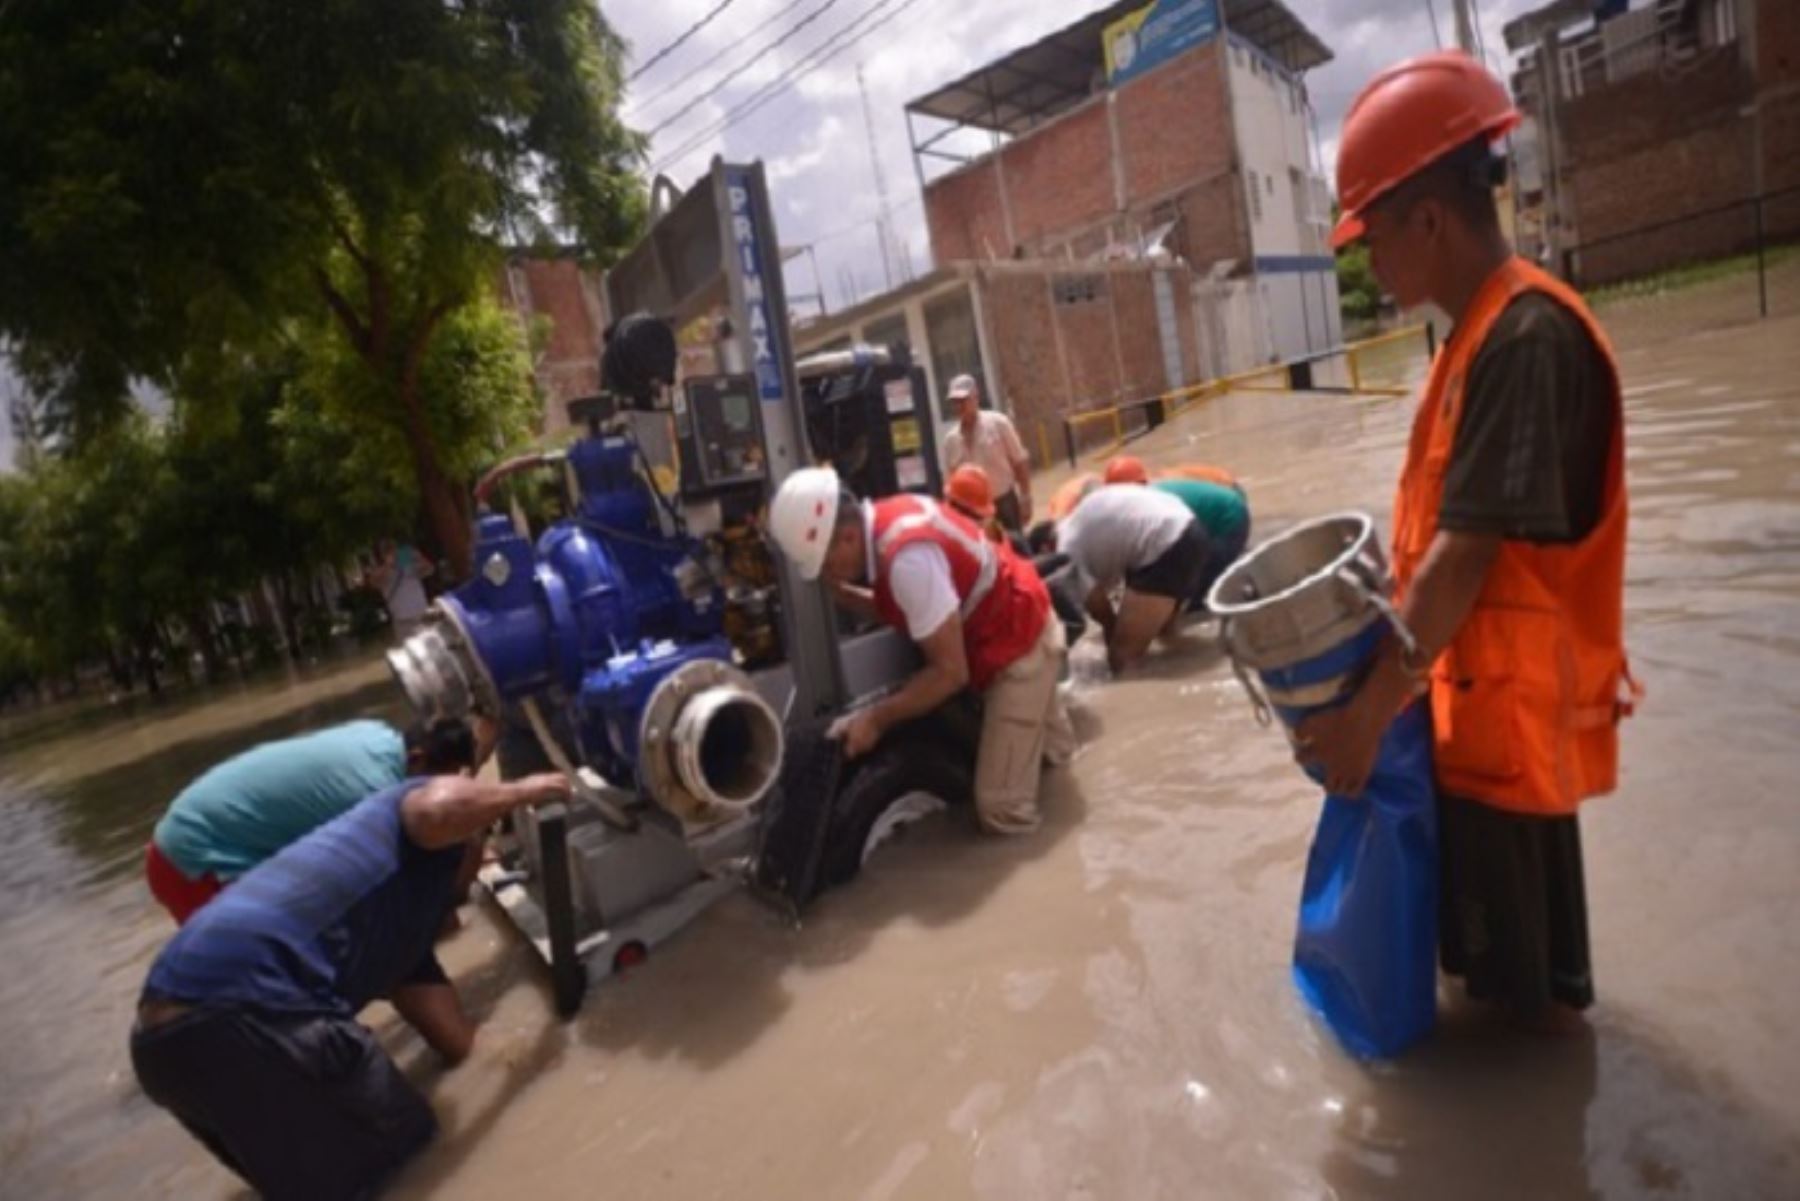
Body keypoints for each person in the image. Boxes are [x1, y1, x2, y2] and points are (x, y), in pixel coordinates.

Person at [1298, 51, 1634, 1033]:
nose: (1367, 263)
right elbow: (1432, 544)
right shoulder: (1474, 338)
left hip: (1513, 746)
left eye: (1370, 238)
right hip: (1471, 727)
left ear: (1429, 221)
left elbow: (1463, 561)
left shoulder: (1524, 339)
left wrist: (1364, 714)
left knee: (1526, 1026)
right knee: (1484, 994)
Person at [131, 770, 571, 1201]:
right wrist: (519, 791)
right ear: (469, 845)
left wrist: (522, 1069)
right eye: (480, 861)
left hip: (161, 1046)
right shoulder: (410, 813)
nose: (477, 876)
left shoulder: (399, 936)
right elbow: (435, 809)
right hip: (245, 1009)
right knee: (407, 1148)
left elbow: (456, 1042)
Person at [768, 467, 1072, 835]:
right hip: (1024, 614)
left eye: (827, 564)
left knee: (1001, 809)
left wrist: (875, 720)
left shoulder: (907, 559)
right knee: (1054, 763)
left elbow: (950, 673)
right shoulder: (888, 517)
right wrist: (852, 598)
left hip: (1020, 645)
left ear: (847, 538)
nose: (830, 574)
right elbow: (921, 606)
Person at [146, 718, 494, 924]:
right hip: (193, 861)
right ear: (416, 760)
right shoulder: (373, 793)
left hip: (191, 833)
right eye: (434, 784)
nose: (436, 795)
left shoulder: (377, 734)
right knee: (253, 976)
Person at [1045, 484, 1209, 674]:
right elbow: (1113, 593)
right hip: (1189, 527)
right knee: (1164, 633)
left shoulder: (1065, 550)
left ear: (1045, 548)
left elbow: (1099, 608)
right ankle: (1194, 662)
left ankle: (1135, 699)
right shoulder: (1081, 522)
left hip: (1166, 543)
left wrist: (1114, 644)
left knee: (1122, 656)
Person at [940, 374, 1033, 533]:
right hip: (972, 513)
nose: (959, 406)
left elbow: (1019, 461)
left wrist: (1025, 498)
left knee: (1014, 550)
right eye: (955, 402)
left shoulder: (998, 424)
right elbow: (951, 482)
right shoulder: (950, 441)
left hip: (1003, 503)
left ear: (976, 398)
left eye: (963, 400)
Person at [371, 539, 435, 635]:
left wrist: (418, 557)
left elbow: (430, 570)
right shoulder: (380, 572)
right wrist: (389, 565)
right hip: (404, 623)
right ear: (382, 555)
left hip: (423, 615)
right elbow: (374, 582)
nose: (392, 553)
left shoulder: (408, 564)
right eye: (387, 551)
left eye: (393, 549)